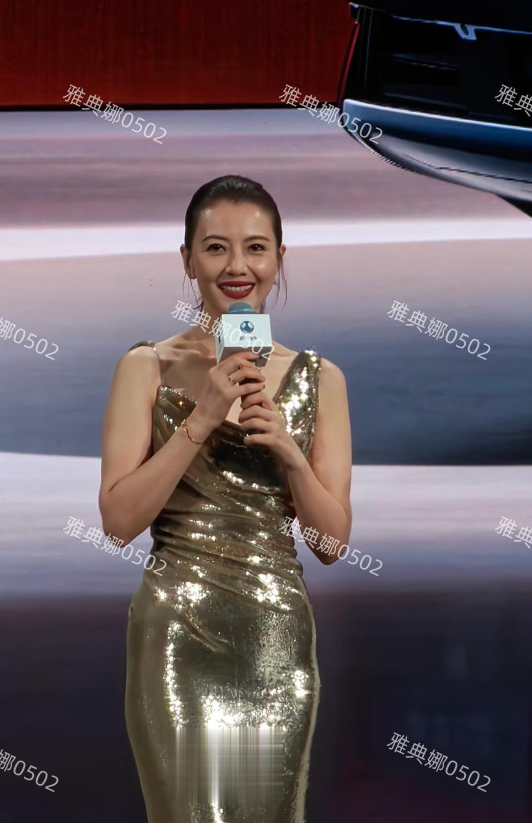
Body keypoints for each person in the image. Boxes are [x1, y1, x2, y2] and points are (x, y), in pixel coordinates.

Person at [98, 174, 352, 823]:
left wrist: (290, 454)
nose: (237, 266)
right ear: (187, 260)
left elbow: (330, 544)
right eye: (216, 248)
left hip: (276, 641)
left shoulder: (321, 378)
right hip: (178, 635)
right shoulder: (145, 367)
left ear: (279, 259)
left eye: (255, 248)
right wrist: (202, 418)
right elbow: (119, 522)